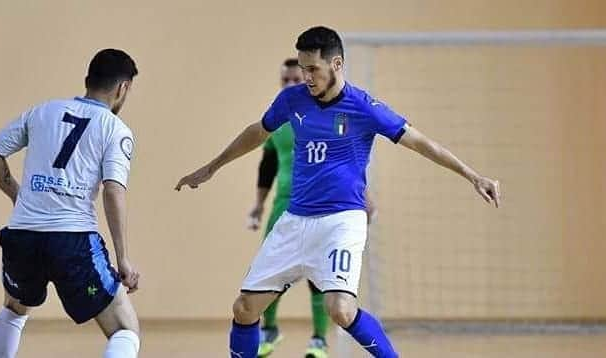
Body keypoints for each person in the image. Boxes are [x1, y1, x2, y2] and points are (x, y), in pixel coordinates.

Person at [175, 26, 501, 358]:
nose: (307, 77)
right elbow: (258, 132)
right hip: (294, 221)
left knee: (341, 309)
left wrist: (472, 175)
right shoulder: (292, 99)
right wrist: (211, 167)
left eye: (313, 68)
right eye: (303, 69)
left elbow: (419, 142)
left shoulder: (364, 107)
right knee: (245, 308)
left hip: (341, 221)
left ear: (337, 64)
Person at [0, 49, 142, 358]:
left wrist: (18, 195)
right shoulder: (114, 128)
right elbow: (112, 191)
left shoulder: (42, 112)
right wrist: (123, 258)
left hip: (23, 235)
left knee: (14, 310)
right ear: (123, 88)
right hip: (73, 241)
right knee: (125, 330)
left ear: (87, 80)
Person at [247, 58, 330, 358]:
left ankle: (319, 339)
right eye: (285, 81)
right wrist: (257, 206)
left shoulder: (325, 117)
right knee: (269, 273)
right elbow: (267, 165)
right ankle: (269, 331)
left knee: (319, 276)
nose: (291, 85)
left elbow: (345, 163)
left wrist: (364, 197)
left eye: (297, 79)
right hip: (283, 207)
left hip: (321, 208)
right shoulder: (277, 121)